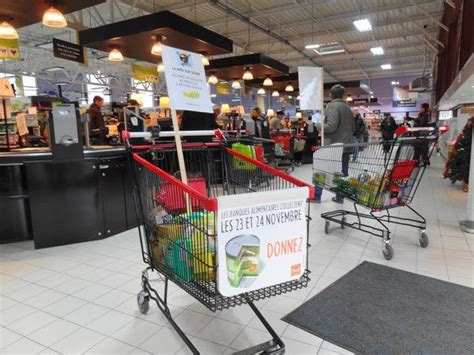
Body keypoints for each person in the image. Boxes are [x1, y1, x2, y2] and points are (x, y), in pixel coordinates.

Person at [315, 84, 355, 203]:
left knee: (321, 169)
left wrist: (318, 125)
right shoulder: (347, 107)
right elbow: (353, 127)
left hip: (334, 145)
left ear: (331, 94)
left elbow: (331, 127)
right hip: (347, 145)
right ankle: (340, 197)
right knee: (342, 172)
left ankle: (316, 196)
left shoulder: (332, 106)